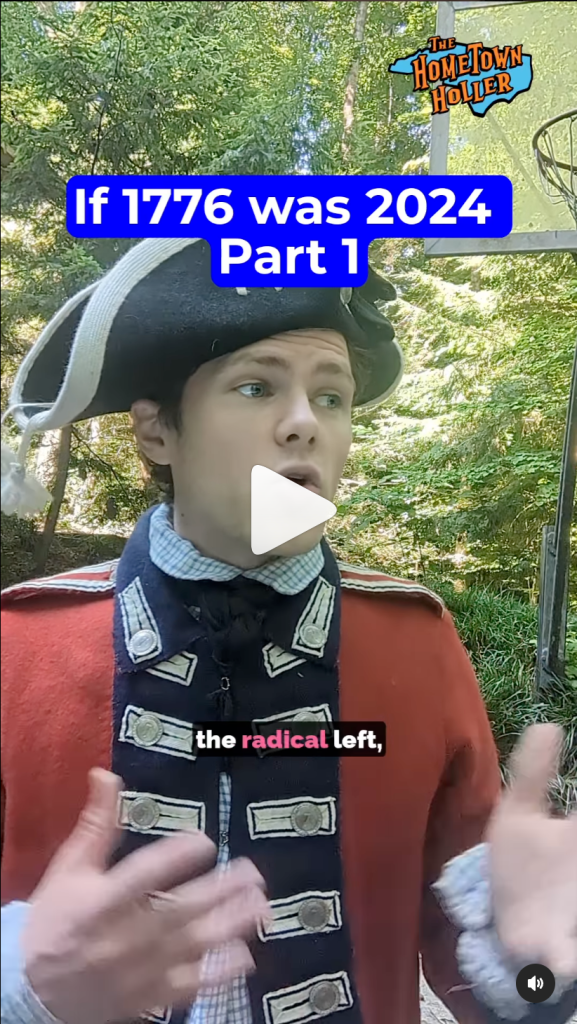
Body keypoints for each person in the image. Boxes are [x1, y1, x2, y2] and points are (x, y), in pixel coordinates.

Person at [1, 237, 575, 1024]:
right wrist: (25, 988)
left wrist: (535, 971)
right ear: (156, 433)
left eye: (331, 396)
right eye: (255, 386)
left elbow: (472, 964)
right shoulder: (21, 646)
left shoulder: (414, 641)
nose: (304, 423)